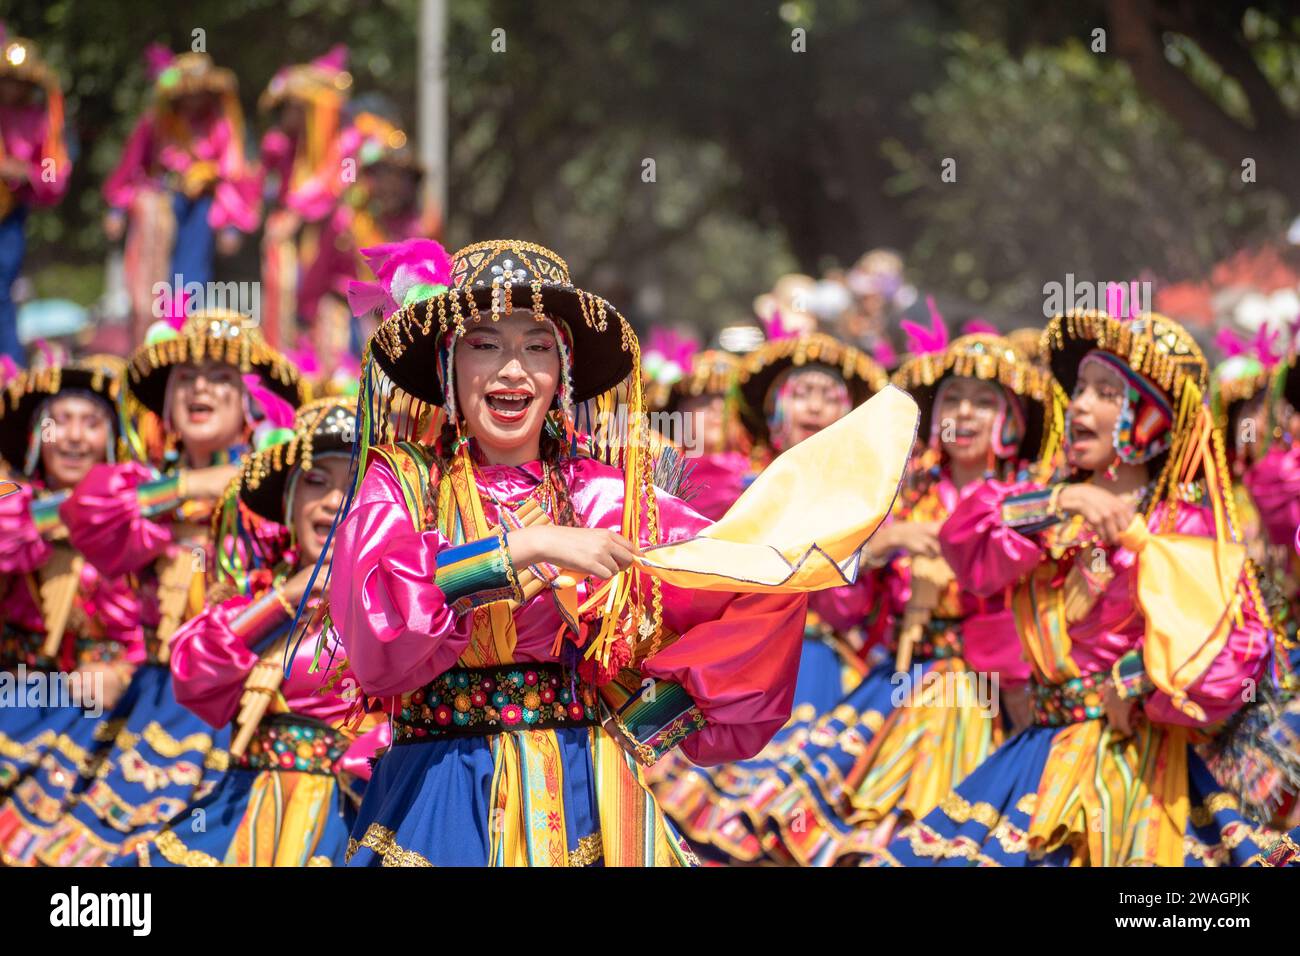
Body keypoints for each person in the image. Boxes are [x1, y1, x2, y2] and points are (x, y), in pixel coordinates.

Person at [325, 237, 904, 866]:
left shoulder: (608, 497)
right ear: (448, 362)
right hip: (440, 789)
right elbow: (376, 626)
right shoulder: (404, 485)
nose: (512, 370)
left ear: (563, 372)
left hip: (585, 793)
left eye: (537, 346)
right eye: (485, 344)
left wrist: (646, 719)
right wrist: (525, 547)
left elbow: (752, 580)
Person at [872, 310, 1298, 866]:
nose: (1078, 405)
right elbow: (967, 542)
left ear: (1152, 419)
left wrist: (1138, 677)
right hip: (1039, 751)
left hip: (1140, 770)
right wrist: (1059, 501)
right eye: (1078, 390)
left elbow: (1232, 649)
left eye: (1106, 393)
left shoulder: (1182, 526)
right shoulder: (1044, 508)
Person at [745, 331, 1050, 865]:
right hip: (900, 681)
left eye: (983, 401)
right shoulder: (899, 494)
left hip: (993, 690)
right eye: (954, 399)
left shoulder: (1026, 501)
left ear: (1011, 420)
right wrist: (878, 545)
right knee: (855, 833)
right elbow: (846, 608)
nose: (965, 413)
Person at [33, 311, 306, 865]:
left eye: (219, 377)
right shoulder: (142, 486)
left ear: (252, 402)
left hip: (240, 705)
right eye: (186, 377)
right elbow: (85, 511)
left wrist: (234, 482)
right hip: (154, 696)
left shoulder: (287, 492)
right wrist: (185, 486)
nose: (200, 386)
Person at [649, 327, 891, 860]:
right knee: (710, 818)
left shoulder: (869, 502)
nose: (817, 406)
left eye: (832, 398)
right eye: (802, 393)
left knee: (796, 821)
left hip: (829, 670)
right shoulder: (721, 479)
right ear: (774, 412)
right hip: (743, 655)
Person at [125, 398, 387, 866]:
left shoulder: (399, 604)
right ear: (287, 505)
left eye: (351, 486)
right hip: (246, 815)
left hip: (357, 821)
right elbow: (194, 674)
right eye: (315, 482)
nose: (331, 501)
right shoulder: (257, 600)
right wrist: (282, 602)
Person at [0, 357, 141, 864]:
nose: (75, 437)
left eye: (93, 421)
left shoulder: (145, 515)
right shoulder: (13, 502)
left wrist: (124, 669)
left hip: (114, 711)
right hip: (20, 703)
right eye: (59, 422)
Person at [103, 48, 258, 343]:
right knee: (152, 278)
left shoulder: (221, 126)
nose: (192, 101)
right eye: (187, 94)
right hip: (161, 209)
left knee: (189, 277)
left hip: (201, 211)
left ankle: (181, 337)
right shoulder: (155, 123)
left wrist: (231, 225)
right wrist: (116, 211)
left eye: (199, 93)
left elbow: (234, 175)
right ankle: (147, 338)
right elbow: (130, 168)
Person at [257, 47, 354, 354]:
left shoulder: (346, 143)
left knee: (324, 312)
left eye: (297, 109)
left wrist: (297, 213)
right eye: (288, 109)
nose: (290, 117)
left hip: (331, 245)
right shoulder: (281, 146)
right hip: (290, 240)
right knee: (282, 296)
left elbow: (334, 186)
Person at [0, 28, 69, 363]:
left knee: (2, 289)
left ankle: (9, 364)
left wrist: (25, 172)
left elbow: (53, 175)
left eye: (18, 82)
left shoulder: (38, 121)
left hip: (9, 214)